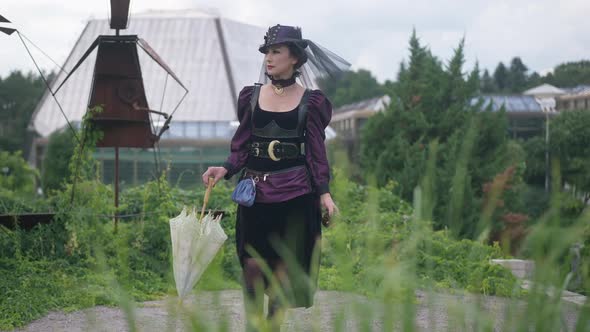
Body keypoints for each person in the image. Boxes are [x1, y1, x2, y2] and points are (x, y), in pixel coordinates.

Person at [201, 24, 349, 330]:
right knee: (253, 266)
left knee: (283, 270)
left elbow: (316, 154)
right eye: (267, 51)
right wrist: (225, 169)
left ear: (294, 57)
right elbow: (241, 146)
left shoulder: (312, 102)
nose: (269, 58)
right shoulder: (251, 97)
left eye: (276, 51)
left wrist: (324, 193)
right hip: (255, 196)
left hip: (296, 195)